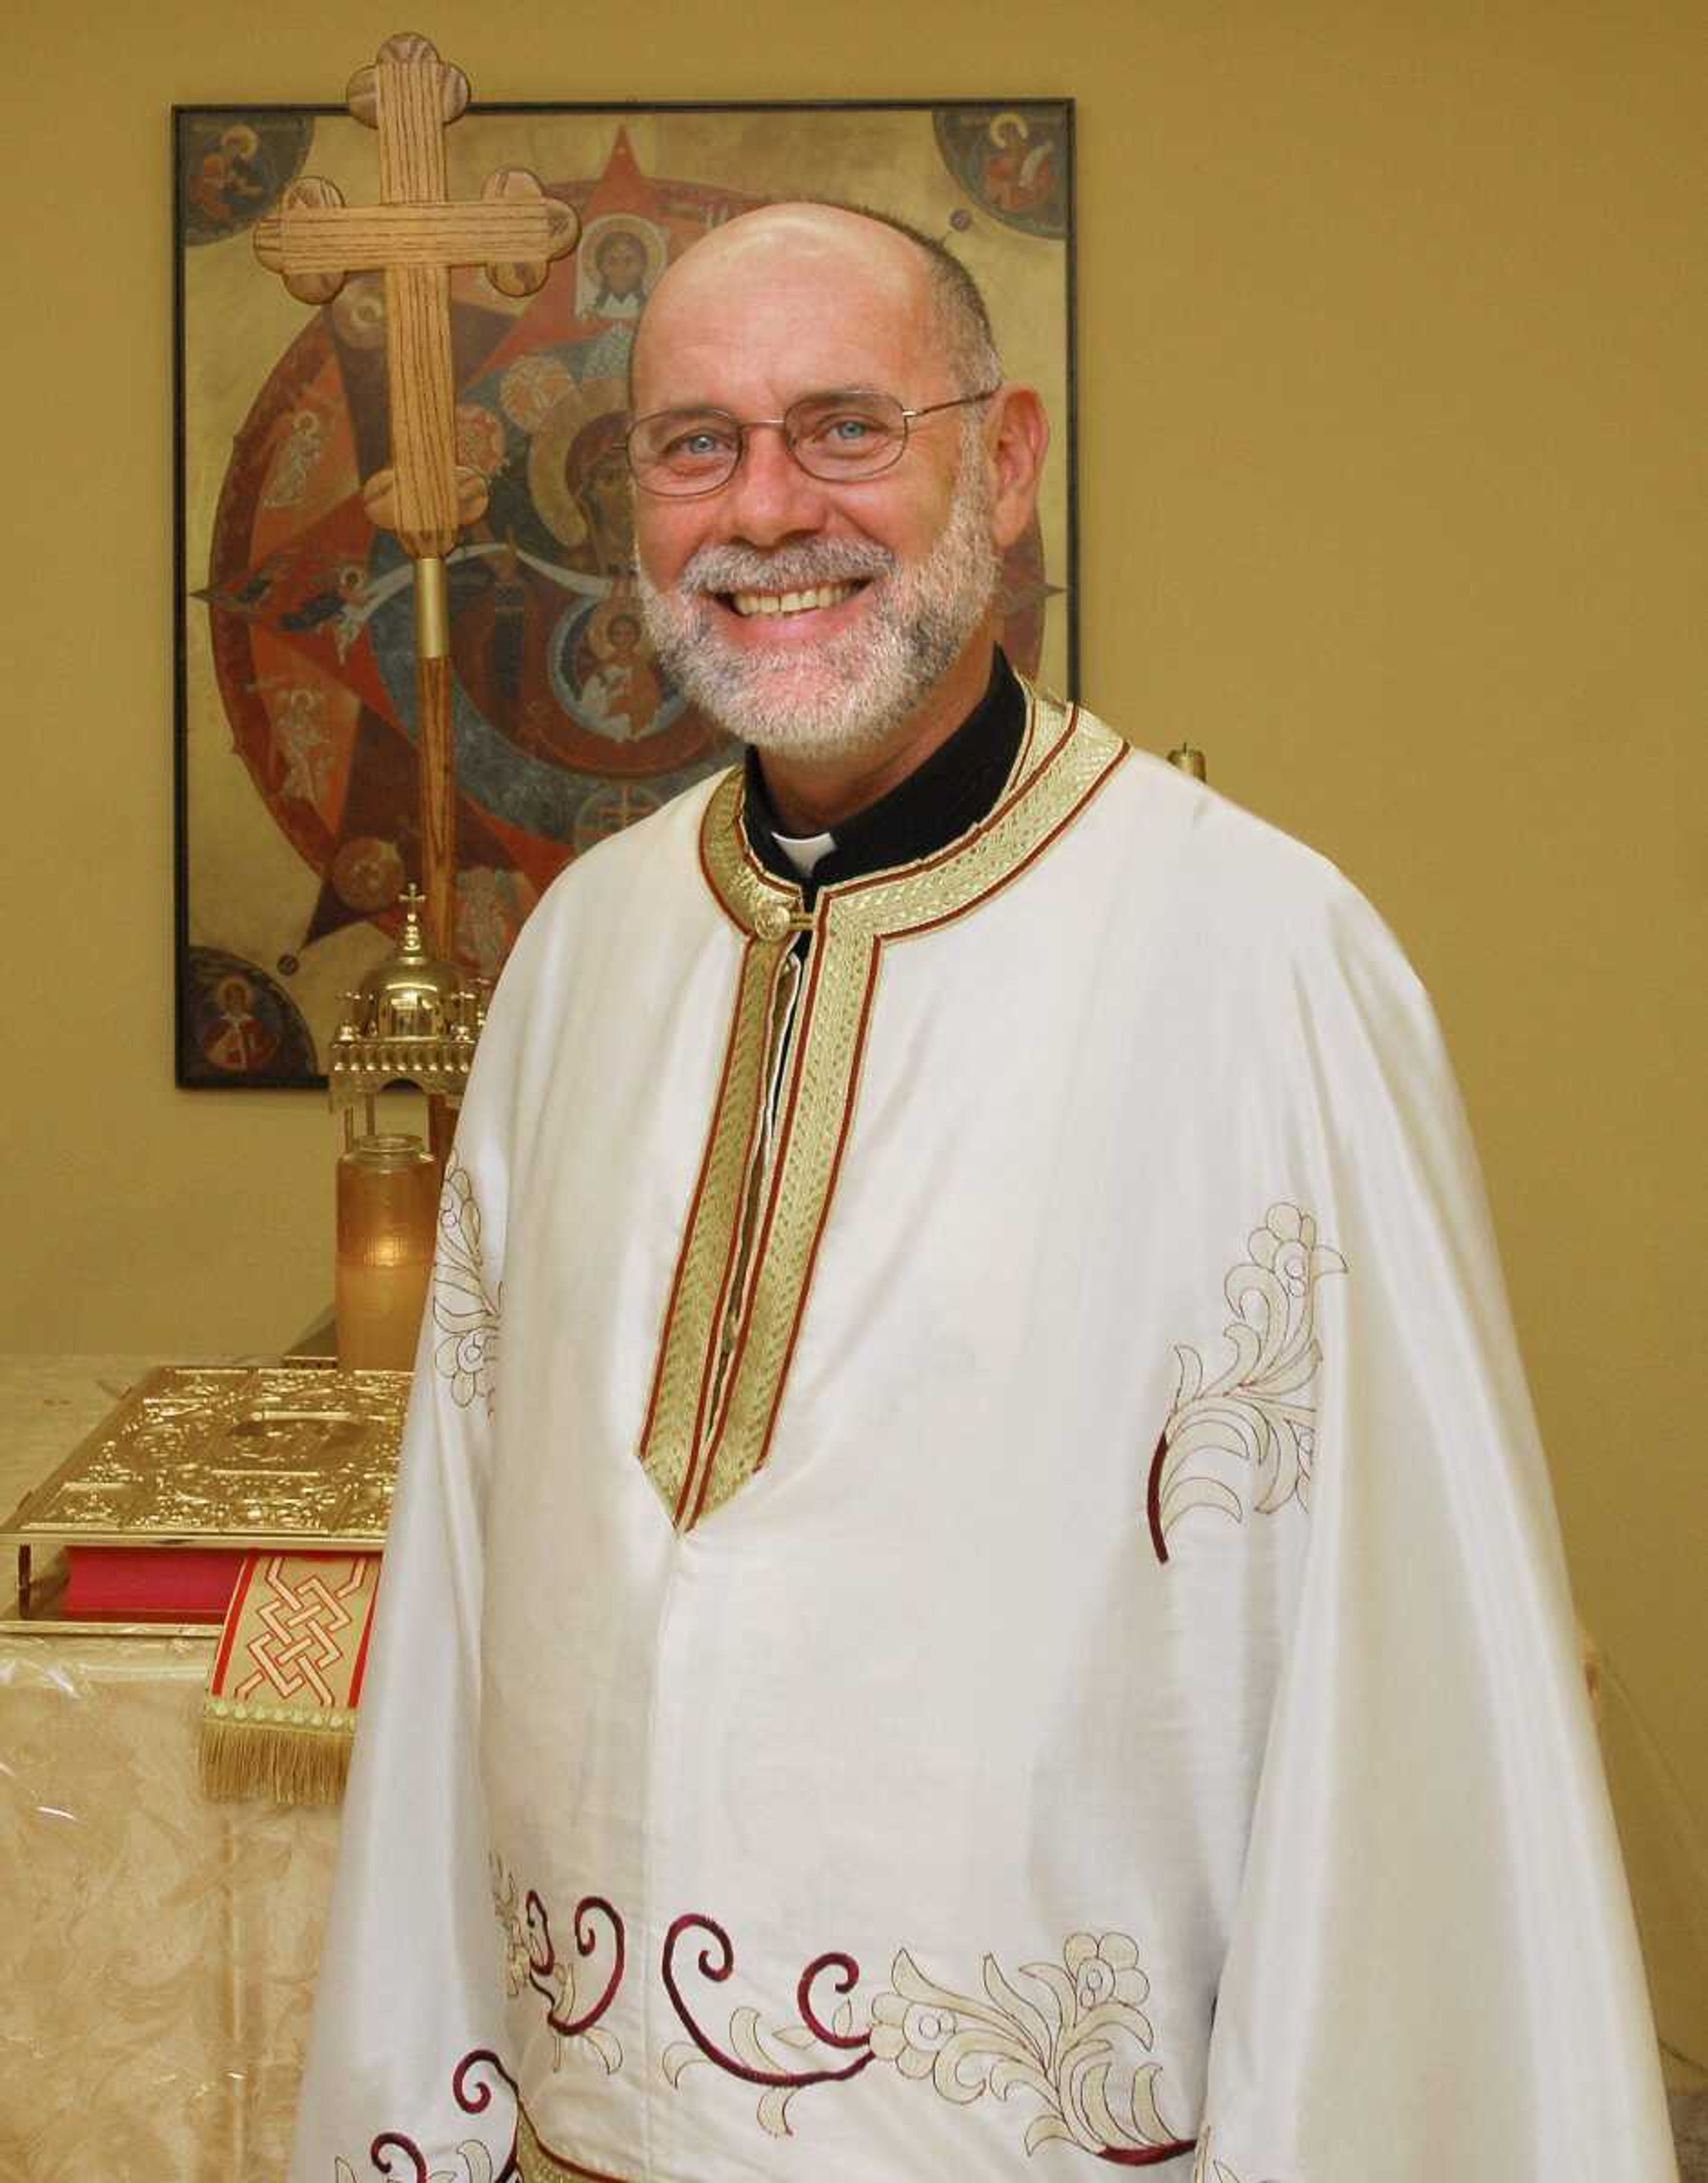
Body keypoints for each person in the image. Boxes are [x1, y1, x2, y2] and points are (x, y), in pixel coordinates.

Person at [290, 204, 1677, 2183]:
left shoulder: (1264, 965)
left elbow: (1402, 1701)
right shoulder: (586, 955)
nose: (765, 508)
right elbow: (458, 1590)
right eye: (694, 445)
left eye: (846, 426)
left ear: (1005, 462)